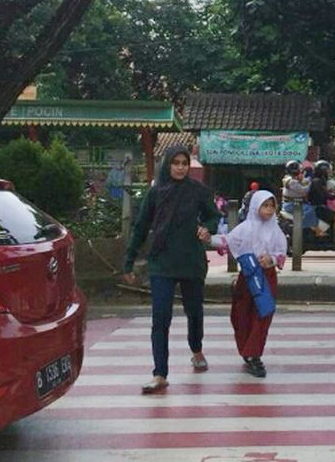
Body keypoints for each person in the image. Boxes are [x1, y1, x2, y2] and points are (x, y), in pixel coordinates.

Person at [122, 144, 221, 394]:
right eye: (175, 163)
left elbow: (213, 216)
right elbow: (141, 227)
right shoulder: (155, 193)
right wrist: (129, 261)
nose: (180, 167)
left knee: (194, 311)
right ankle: (160, 373)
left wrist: (207, 228)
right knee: (160, 317)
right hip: (161, 262)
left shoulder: (198, 191)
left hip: (191, 261)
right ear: (167, 164)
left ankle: (196, 349)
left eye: (184, 163)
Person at [224, 190, 286, 378]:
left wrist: (272, 260)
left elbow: (281, 253)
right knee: (241, 314)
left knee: (262, 315)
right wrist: (208, 239)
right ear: (255, 207)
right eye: (264, 206)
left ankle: (255, 354)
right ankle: (246, 349)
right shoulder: (245, 228)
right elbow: (227, 241)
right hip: (248, 276)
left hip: (267, 278)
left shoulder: (276, 230)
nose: (268, 210)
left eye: (271, 206)